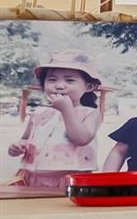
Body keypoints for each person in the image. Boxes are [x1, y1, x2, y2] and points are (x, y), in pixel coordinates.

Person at [8, 49, 106, 192]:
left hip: (70, 179)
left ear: (89, 86)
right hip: (31, 177)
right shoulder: (38, 112)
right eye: (52, 79)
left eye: (70, 80)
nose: (59, 85)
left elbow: (81, 139)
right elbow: (25, 139)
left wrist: (67, 110)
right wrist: (17, 147)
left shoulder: (90, 113)